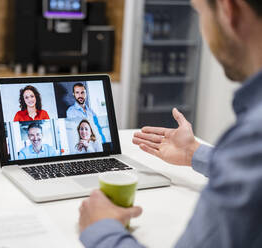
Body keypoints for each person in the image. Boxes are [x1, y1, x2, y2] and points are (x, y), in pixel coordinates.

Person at [78, 0, 262, 247]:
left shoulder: (254, 136)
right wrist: (195, 153)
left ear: (229, 10)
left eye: (199, 13)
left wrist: (101, 229)